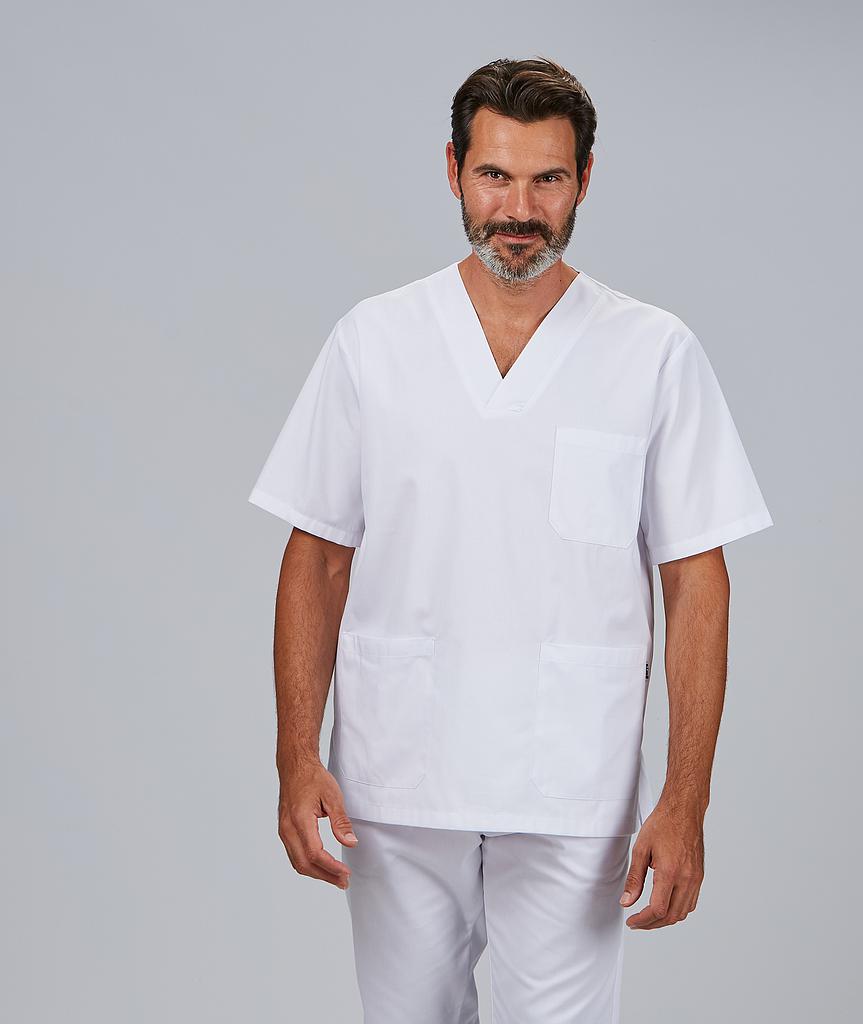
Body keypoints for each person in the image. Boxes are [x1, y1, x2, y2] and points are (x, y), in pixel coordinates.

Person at [248, 56, 773, 1024]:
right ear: (453, 169)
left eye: (548, 179)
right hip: (396, 777)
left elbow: (697, 580)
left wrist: (685, 798)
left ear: (586, 179)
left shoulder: (652, 352)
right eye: (494, 175)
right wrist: (295, 754)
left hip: (572, 778)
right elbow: (316, 556)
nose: (519, 209)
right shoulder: (375, 341)